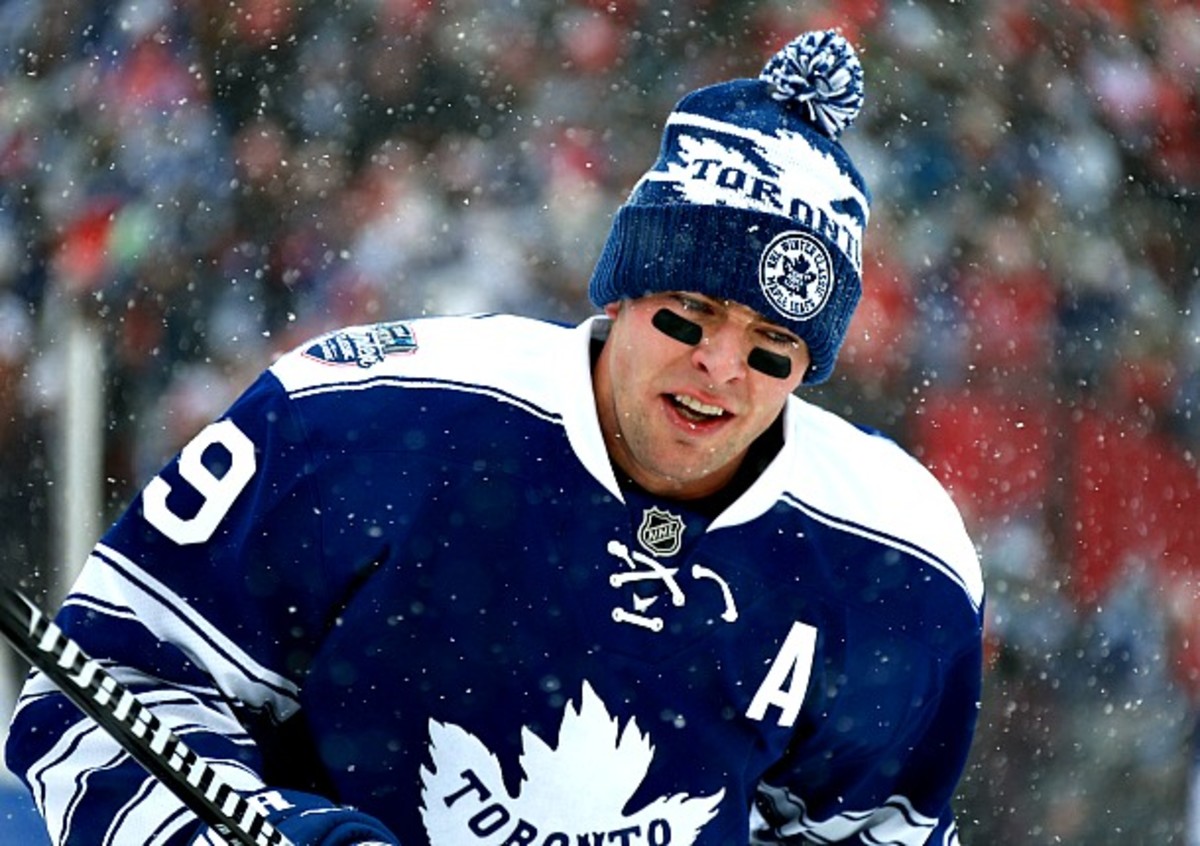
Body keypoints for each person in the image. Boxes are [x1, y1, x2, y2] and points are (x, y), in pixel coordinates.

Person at [5, 30, 983, 846]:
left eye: (771, 352)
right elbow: (92, 702)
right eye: (686, 319)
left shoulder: (897, 561)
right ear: (622, 292)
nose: (720, 371)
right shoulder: (366, 419)